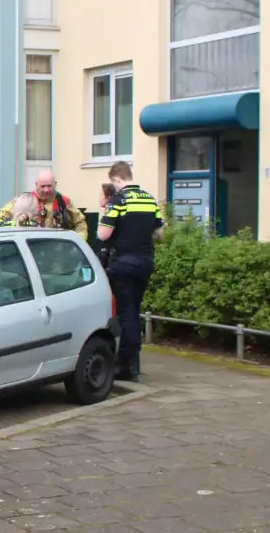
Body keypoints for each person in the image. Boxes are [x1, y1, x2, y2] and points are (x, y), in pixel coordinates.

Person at [97, 161, 164, 382]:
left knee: (127, 314)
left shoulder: (119, 200)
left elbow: (104, 234)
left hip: (123, 263)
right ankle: (131, 360)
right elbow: (159, 232)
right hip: (145, 261)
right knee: (134, 310)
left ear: (116, 179)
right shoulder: (148, 198)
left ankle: (128, 365)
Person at [0, 170, 88, 239]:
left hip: (57, 251)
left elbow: (80, 223)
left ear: (55, 184)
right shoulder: (25, 200)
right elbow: (0, 217)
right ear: (36, 184)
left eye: (49, 186)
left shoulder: (64, 202)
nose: (46, 190)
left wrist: (78, 241)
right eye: (43, 186)